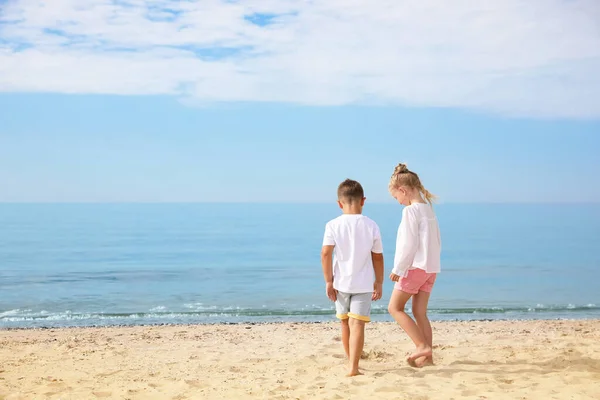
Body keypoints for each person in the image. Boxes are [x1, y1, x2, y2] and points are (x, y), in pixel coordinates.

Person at [321, 179, 384, 376]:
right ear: (363, 200)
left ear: (339, 203)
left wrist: (328, 281)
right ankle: (353, 368)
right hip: (363, 284)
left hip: (340, 283)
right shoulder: (371, 225)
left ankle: (350, 361)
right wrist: (379, 281)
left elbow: (325, 253)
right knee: (358, 324)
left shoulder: (332, 225)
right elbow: (378, 256)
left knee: (344, 322)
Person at [387, 163, 441, 368]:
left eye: (396, 197)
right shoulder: (428, 209)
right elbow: (437, 240)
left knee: (394, 307)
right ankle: (427, 359)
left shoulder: (410, 212)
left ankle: (421, 346)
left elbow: (408, 244)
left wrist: (398, 269)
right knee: (419, 312)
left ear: (403, 190)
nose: (398, 202)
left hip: (416, 267)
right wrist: (433, 264)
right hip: (431, 268)